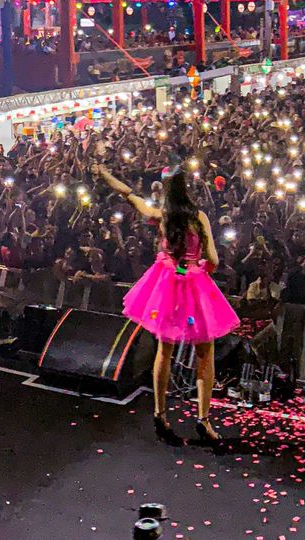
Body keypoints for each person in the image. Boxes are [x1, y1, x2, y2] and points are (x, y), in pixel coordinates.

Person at [97, 164, 240, 446]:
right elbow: (213, 259)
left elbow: (128, 194)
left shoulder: (161, 217)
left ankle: (160, 414)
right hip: (193, 283)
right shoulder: (198, 218)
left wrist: (103, 173)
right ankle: (203, 419)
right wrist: (196, 269)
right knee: (205, 353)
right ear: (185, 188)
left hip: (165, 283)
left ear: (164, 189)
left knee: (164, 349)